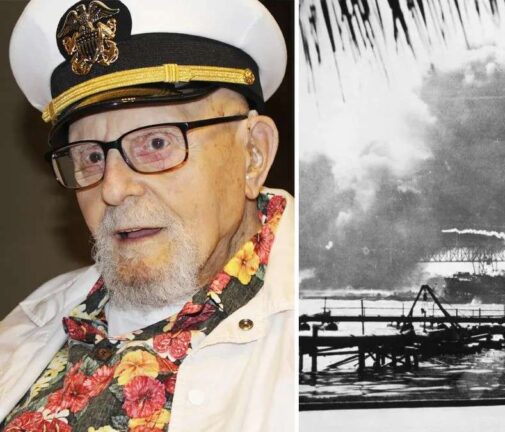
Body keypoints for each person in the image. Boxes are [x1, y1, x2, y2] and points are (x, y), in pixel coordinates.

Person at [0, 0, 294, 431]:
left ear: (253, 155)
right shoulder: (29, 322)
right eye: (92, 156)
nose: (113, 188)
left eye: (156, 143)